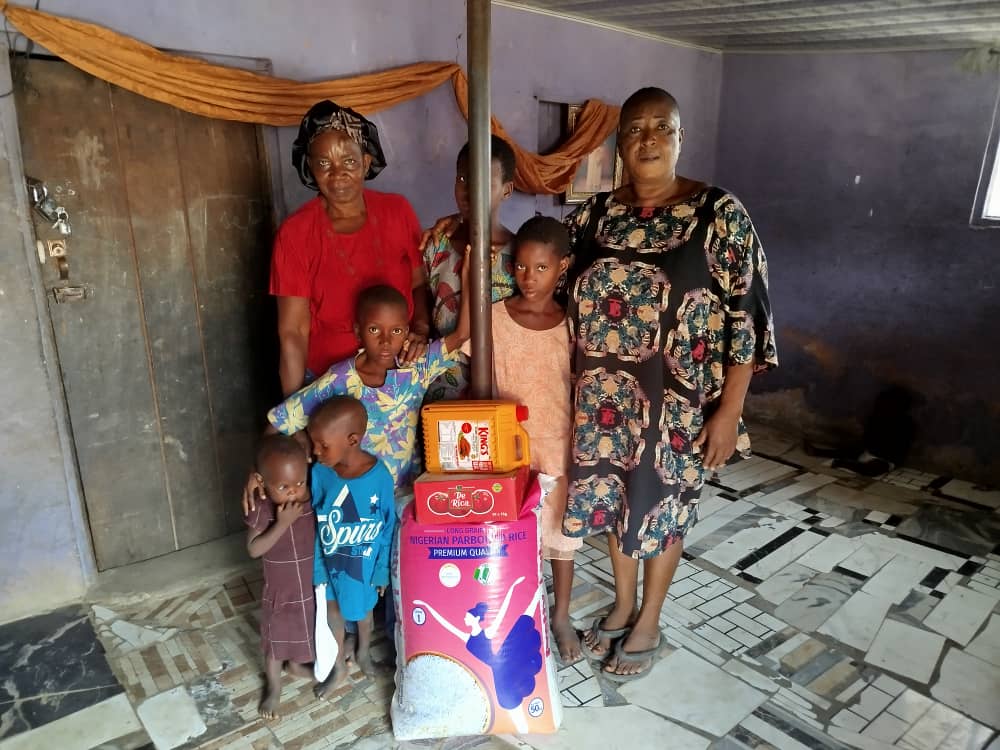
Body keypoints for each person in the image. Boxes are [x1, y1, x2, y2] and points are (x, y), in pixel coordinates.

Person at [564, 87, 778, 681]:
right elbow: (550, 290)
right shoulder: (593, 215)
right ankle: (624, 602)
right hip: (601, 400)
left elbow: (747, 318)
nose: (649, 138)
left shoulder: (720, 215)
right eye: (635, 128)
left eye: (662, 126)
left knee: (662, 506)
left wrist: (729, 412)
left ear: (680, 137)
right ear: (619, 144)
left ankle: (649, 618)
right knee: (613, 501)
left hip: (676, 404)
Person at [466, 216, 583, 664]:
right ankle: (511, 607)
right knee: (507, 530)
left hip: (557, 445)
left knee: (559, 535)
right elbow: (468, 358)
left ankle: (561, 614)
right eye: (520, 267)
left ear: (563, 267)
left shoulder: (572, 323)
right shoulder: (494, 317)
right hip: (505, 447)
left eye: (541, 268)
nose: (528, 278)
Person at [272, 100, 430, 398]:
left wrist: (420, 330)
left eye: (349, 161)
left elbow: (419, 283)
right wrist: (293, 412)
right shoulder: (296, 233)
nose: (337, 173)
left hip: (398, 377)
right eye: (323, 164)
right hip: (329, 383)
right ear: (309, 168)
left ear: (366, 162)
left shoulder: (397, 211)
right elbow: (293, 333)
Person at [266, 282, 473, 488]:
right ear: (358, 332)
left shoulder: (416, 368)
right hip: (356, 499)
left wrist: (469, 275)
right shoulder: (341, 379)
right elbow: (282, 418)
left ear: (407, 331)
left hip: (405, 492)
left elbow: (462, 334)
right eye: (374, 329)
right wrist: (257, 472)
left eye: (396, 331)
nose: (385, 341)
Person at [307, 396, 396, 697]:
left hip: (362, 567)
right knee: (332, 613)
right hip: (330, 564)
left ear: (353, 440)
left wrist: (382, 570)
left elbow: (387, 525)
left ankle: (363, 653)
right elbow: (316, 525)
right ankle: (338, 668)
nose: (316, 452)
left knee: (363, 616)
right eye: (314, 444)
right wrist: (318, 569)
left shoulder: (379, 476)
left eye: (323, 445)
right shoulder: (320, 473)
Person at [423, 135, 518, 401]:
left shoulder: (521, 255)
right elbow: (420, 318)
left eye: (484, 182)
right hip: (441, 393)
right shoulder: (434, 246)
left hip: (503, 390)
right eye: (463, 179)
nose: (470, 190)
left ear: (507, 190)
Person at [413, 576, 544, 734]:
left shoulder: (487, 632)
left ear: (475, 618)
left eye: (467, 617)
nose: (464, 618)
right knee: (508, 700)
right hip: (499, 669)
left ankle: (537, 593)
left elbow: (503, 610)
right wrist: (426, 606)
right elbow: (446, 624)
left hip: (504, 661)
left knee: (523, 621)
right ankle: (523, 727)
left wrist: (512, 587)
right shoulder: (468, 638)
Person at [245, 435, 316, 721]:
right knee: (276, 643)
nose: (293, 493)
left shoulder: (308, 499)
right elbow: (253, 549)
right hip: (281, 591)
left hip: (309, 587)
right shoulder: (261, 508)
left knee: (305, 632)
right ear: (262, 482)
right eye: (283, 487)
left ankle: (298, 667)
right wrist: (282, 523)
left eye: (299, 483)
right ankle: (273, 688)